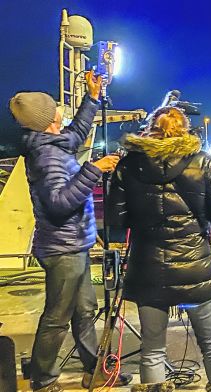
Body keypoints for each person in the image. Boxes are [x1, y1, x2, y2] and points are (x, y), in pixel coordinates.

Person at [107, 106, 211, 392]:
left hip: (148, 267)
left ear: (151, 127)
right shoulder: (204, 163)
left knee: (152, 348)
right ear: (185, 128)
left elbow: (115, 220)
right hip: (194, 266)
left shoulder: (129, 165)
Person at [10, 70, 132, 392]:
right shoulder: (47, 156)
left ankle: (95, 369)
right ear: (46, 118)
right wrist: (94, 170)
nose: (59, 114)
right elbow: (59, 204)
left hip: (74, 244)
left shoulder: (54, 142)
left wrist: (92, 98)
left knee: (85, 310)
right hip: (61, 249)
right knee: (57, 317)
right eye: (54, 111)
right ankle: (44, 380)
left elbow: (75, 134)